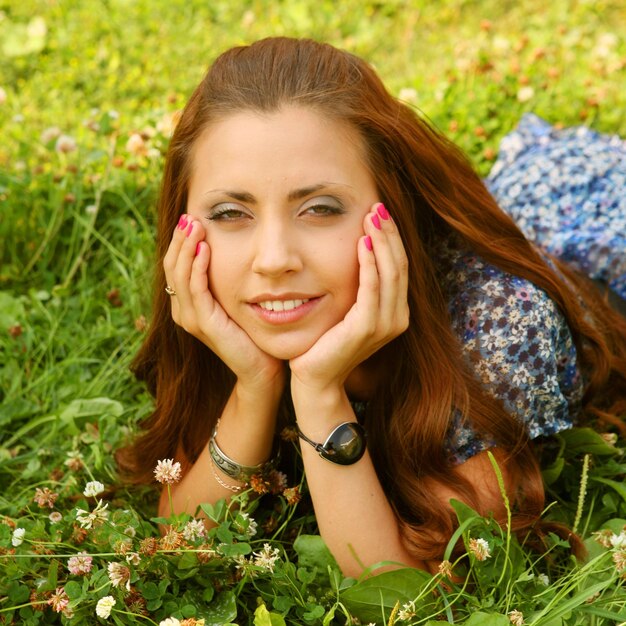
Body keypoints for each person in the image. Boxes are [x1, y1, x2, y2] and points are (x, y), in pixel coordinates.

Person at [118, 37, 626, 577]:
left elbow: (402, 588)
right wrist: (255, 383)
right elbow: (181, 534)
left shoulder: (497, 319)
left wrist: (316, 391)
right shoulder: (214, 299)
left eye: (319, 209)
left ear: (392, 209)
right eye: (229, 213)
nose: (272, 260)